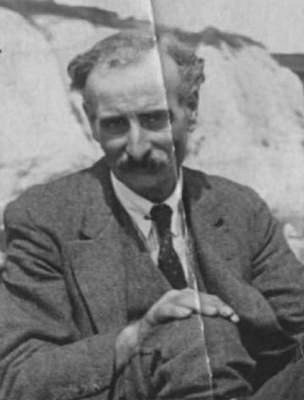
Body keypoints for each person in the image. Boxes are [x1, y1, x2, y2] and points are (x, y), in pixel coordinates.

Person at [1, 28, 304, 400]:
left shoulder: (240, 207)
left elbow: (297, 326)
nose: (137, 146)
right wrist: (137, 334)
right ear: (90, 122)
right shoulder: (45, 218)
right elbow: (19, 378)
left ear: (190, 110)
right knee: (199, 336)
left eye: (154, 119)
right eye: (114, 124)